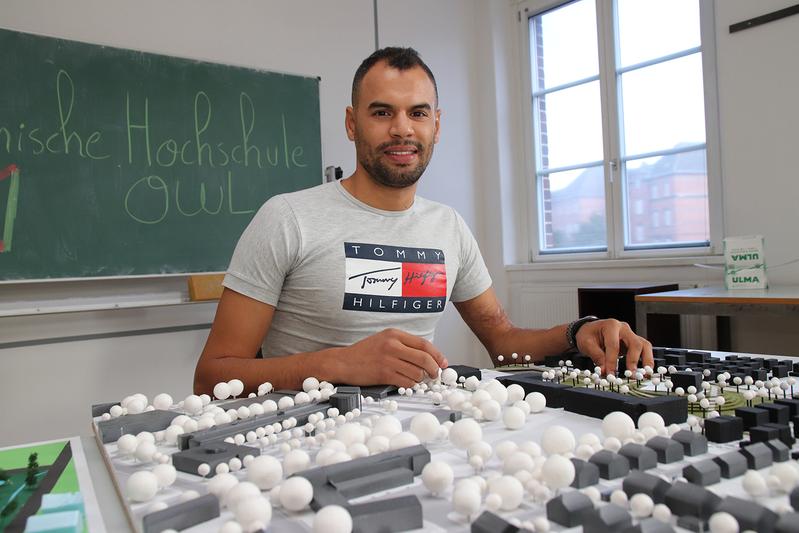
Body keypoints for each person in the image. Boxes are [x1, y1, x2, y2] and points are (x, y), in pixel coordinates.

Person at [194, 47, 653, 395]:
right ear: (352, 124)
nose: (402, 129)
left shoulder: (448, 227)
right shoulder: (287, 218)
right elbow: (211, 375)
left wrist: (578, 332)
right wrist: (337, 365)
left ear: (436, 123)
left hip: (424, 434)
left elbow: (504, 342)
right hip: (308, 443)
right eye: (381, 113)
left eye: (417, 113)